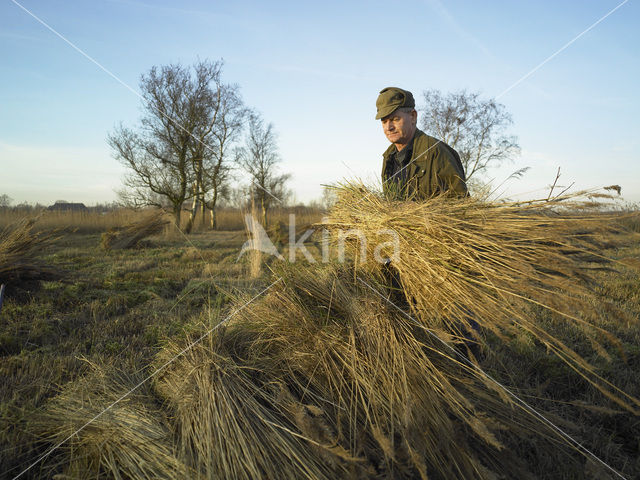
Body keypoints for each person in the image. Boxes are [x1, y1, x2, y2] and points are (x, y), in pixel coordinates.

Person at [376, 87, 468, 200]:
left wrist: (419, 209)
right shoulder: (388, 157)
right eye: (384, 122)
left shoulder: (436, 151)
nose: (389, 127)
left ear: (413, 116)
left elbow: (461, 203)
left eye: (395, 119)